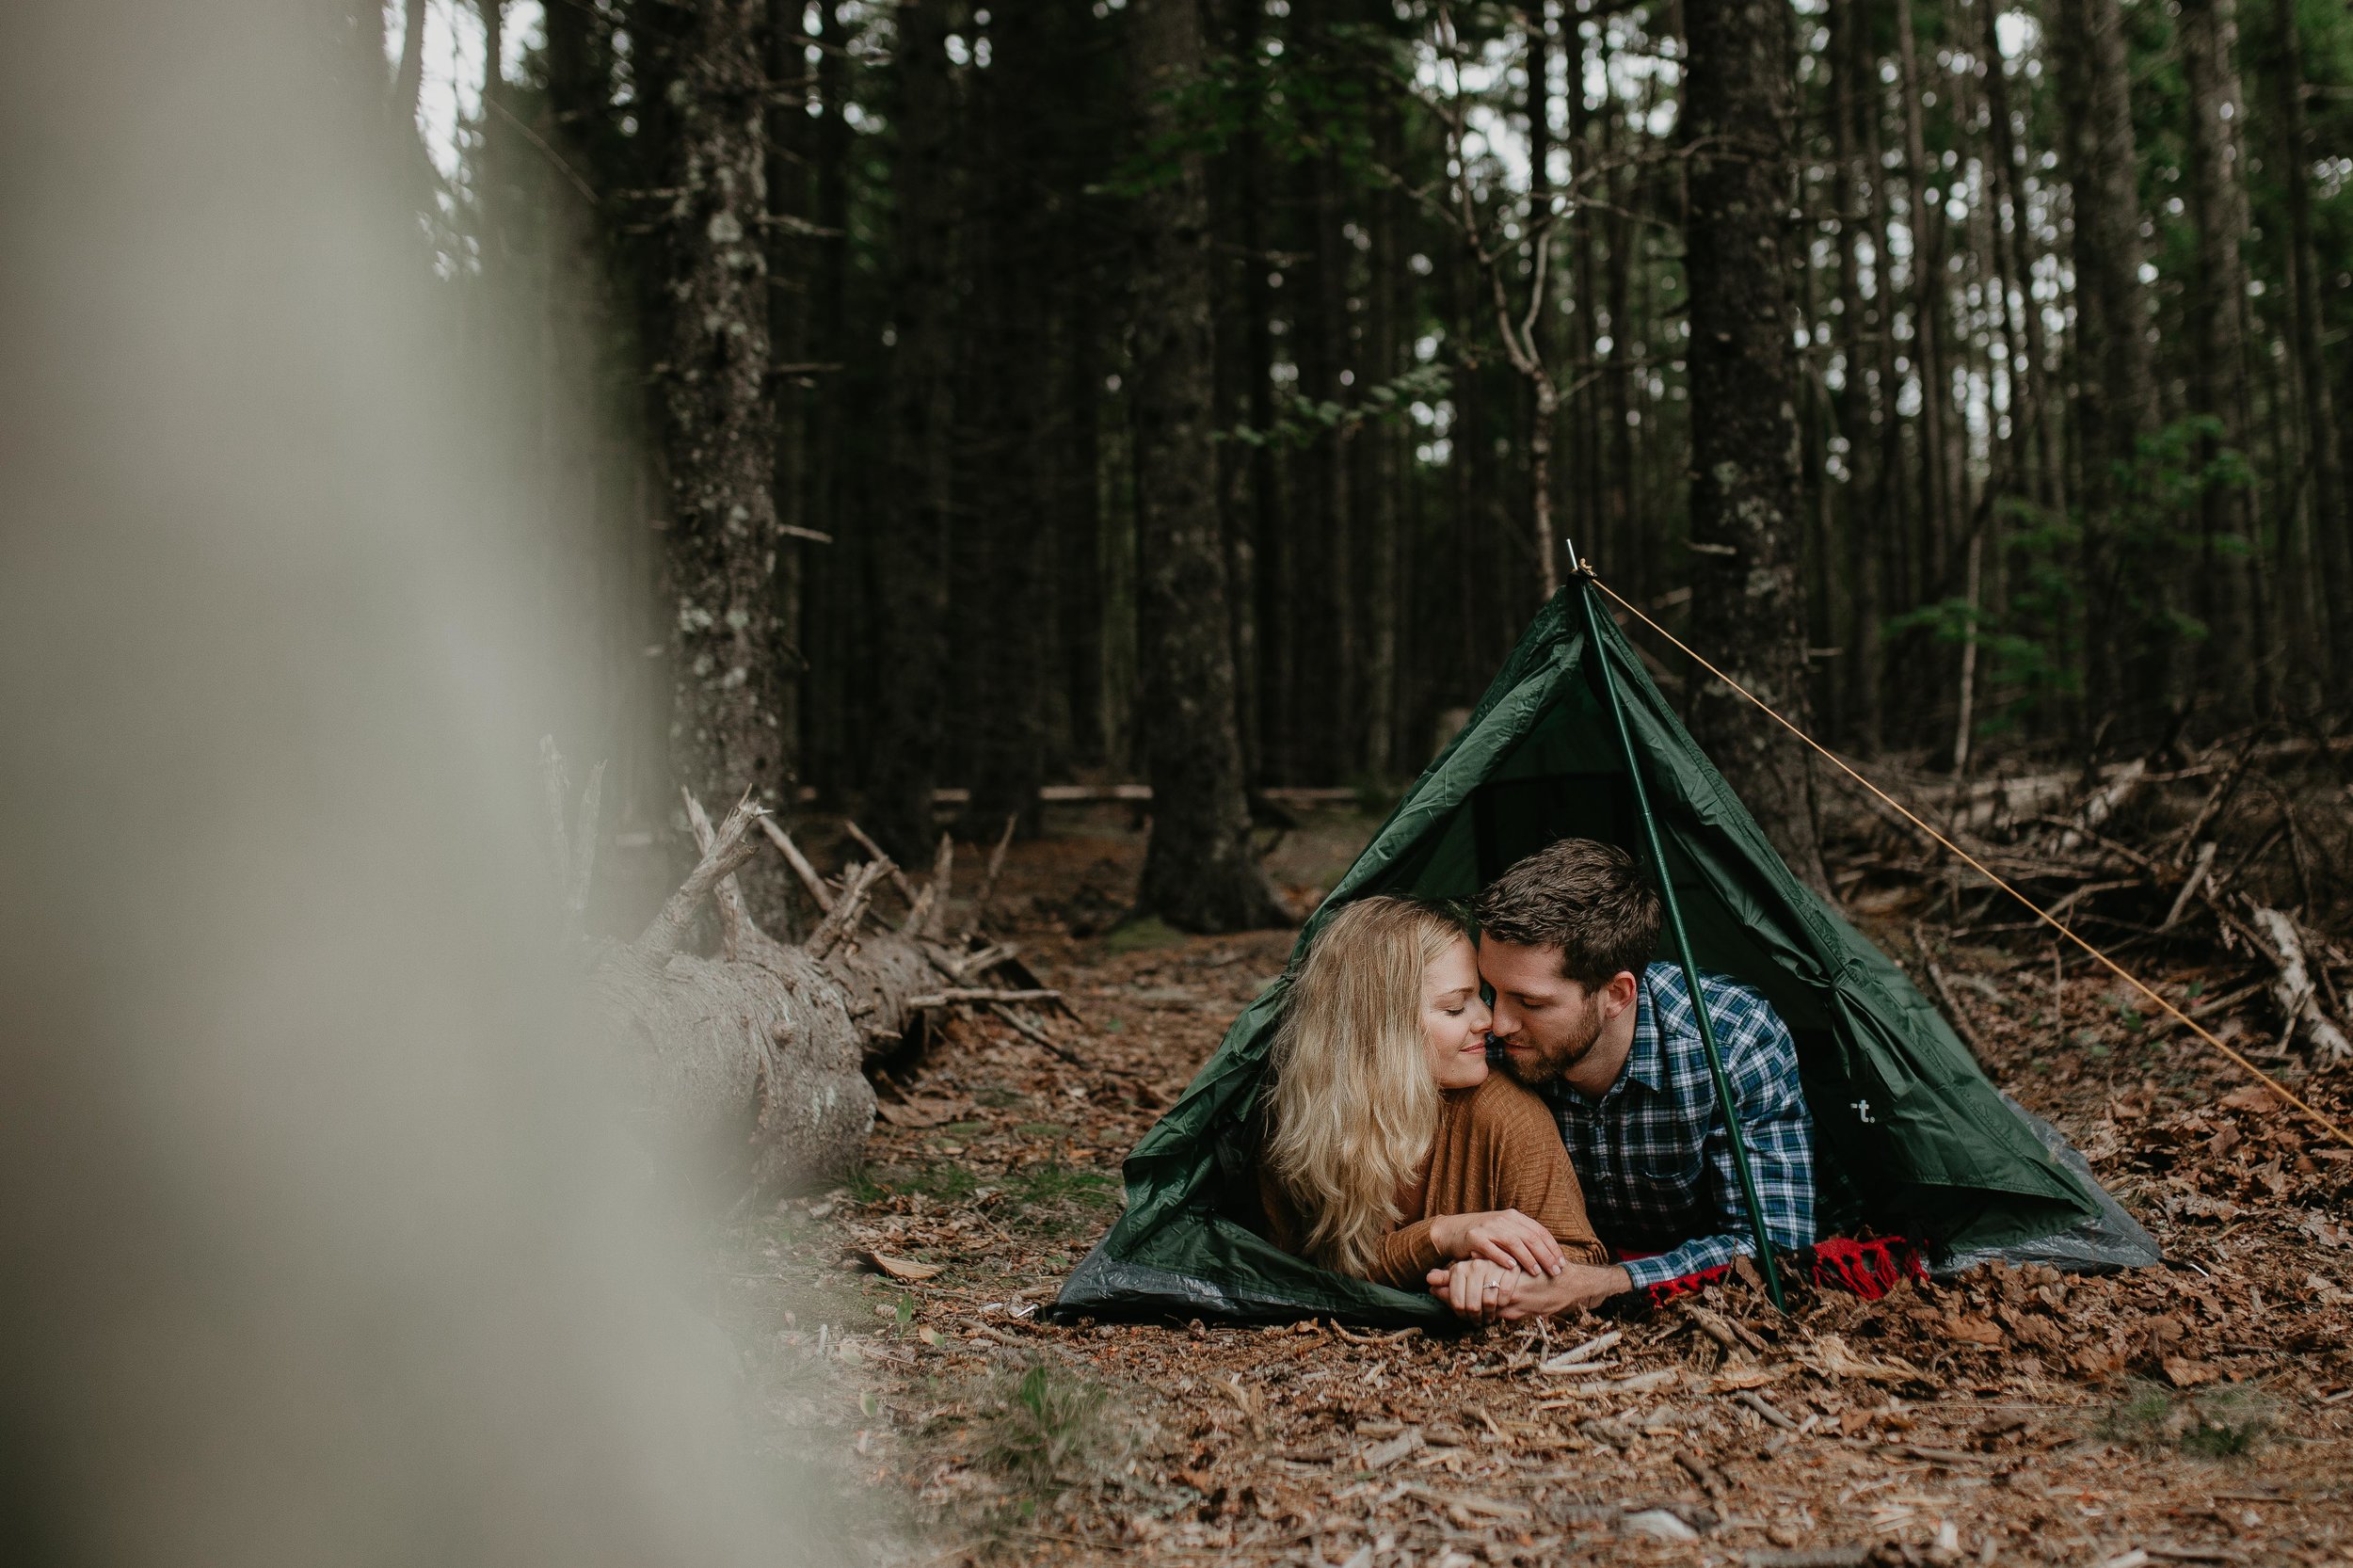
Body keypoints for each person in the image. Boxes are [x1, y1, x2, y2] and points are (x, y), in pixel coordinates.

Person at [1427, 839, 1816, 1321]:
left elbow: (1776, 1244)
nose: (1497, 1024)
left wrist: (1603, 1284)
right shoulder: (1481, 1051)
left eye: (1530, 1003)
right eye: (1491, 989)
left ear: (1616, 993)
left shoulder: (1731, 1040)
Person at [1256, 896, 1609, 1307]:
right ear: (1382, 1029)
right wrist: (1441, 1235)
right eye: (1456, 1007)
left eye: (1481, 996)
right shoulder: (1302, 1124)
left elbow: (1581, 1260)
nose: (1489, 1022)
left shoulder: (1504, 1112)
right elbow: (1293, 1269)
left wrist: (1495, 1275)